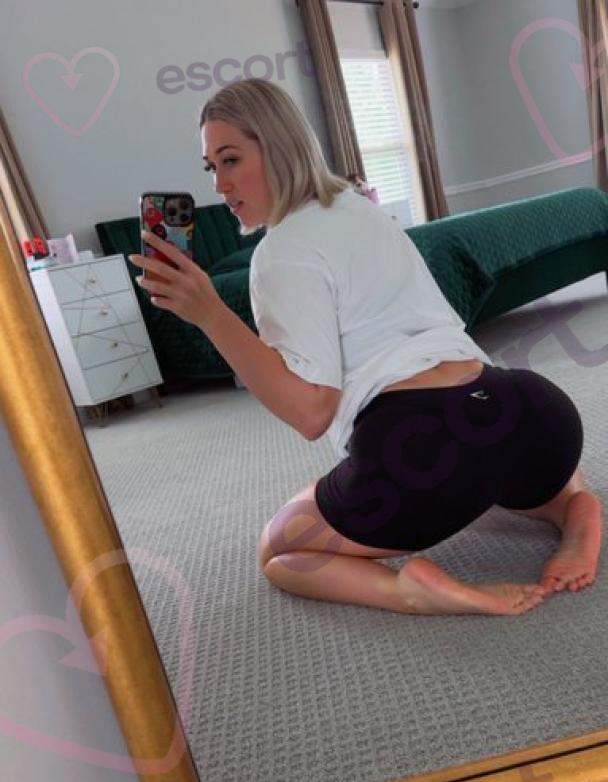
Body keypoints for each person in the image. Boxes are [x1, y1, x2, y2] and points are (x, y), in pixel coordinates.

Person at [129, 78, 602, 617]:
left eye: (231, 159)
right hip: (529, 408)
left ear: (278, 147)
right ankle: (573, 508)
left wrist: (211, 314)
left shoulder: (279, 254)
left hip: (422, 446)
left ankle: (409, 590)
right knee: (504, 465)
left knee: (280, 551)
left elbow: (312, 411)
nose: (220, 184)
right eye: (211, 167)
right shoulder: (357, 208)